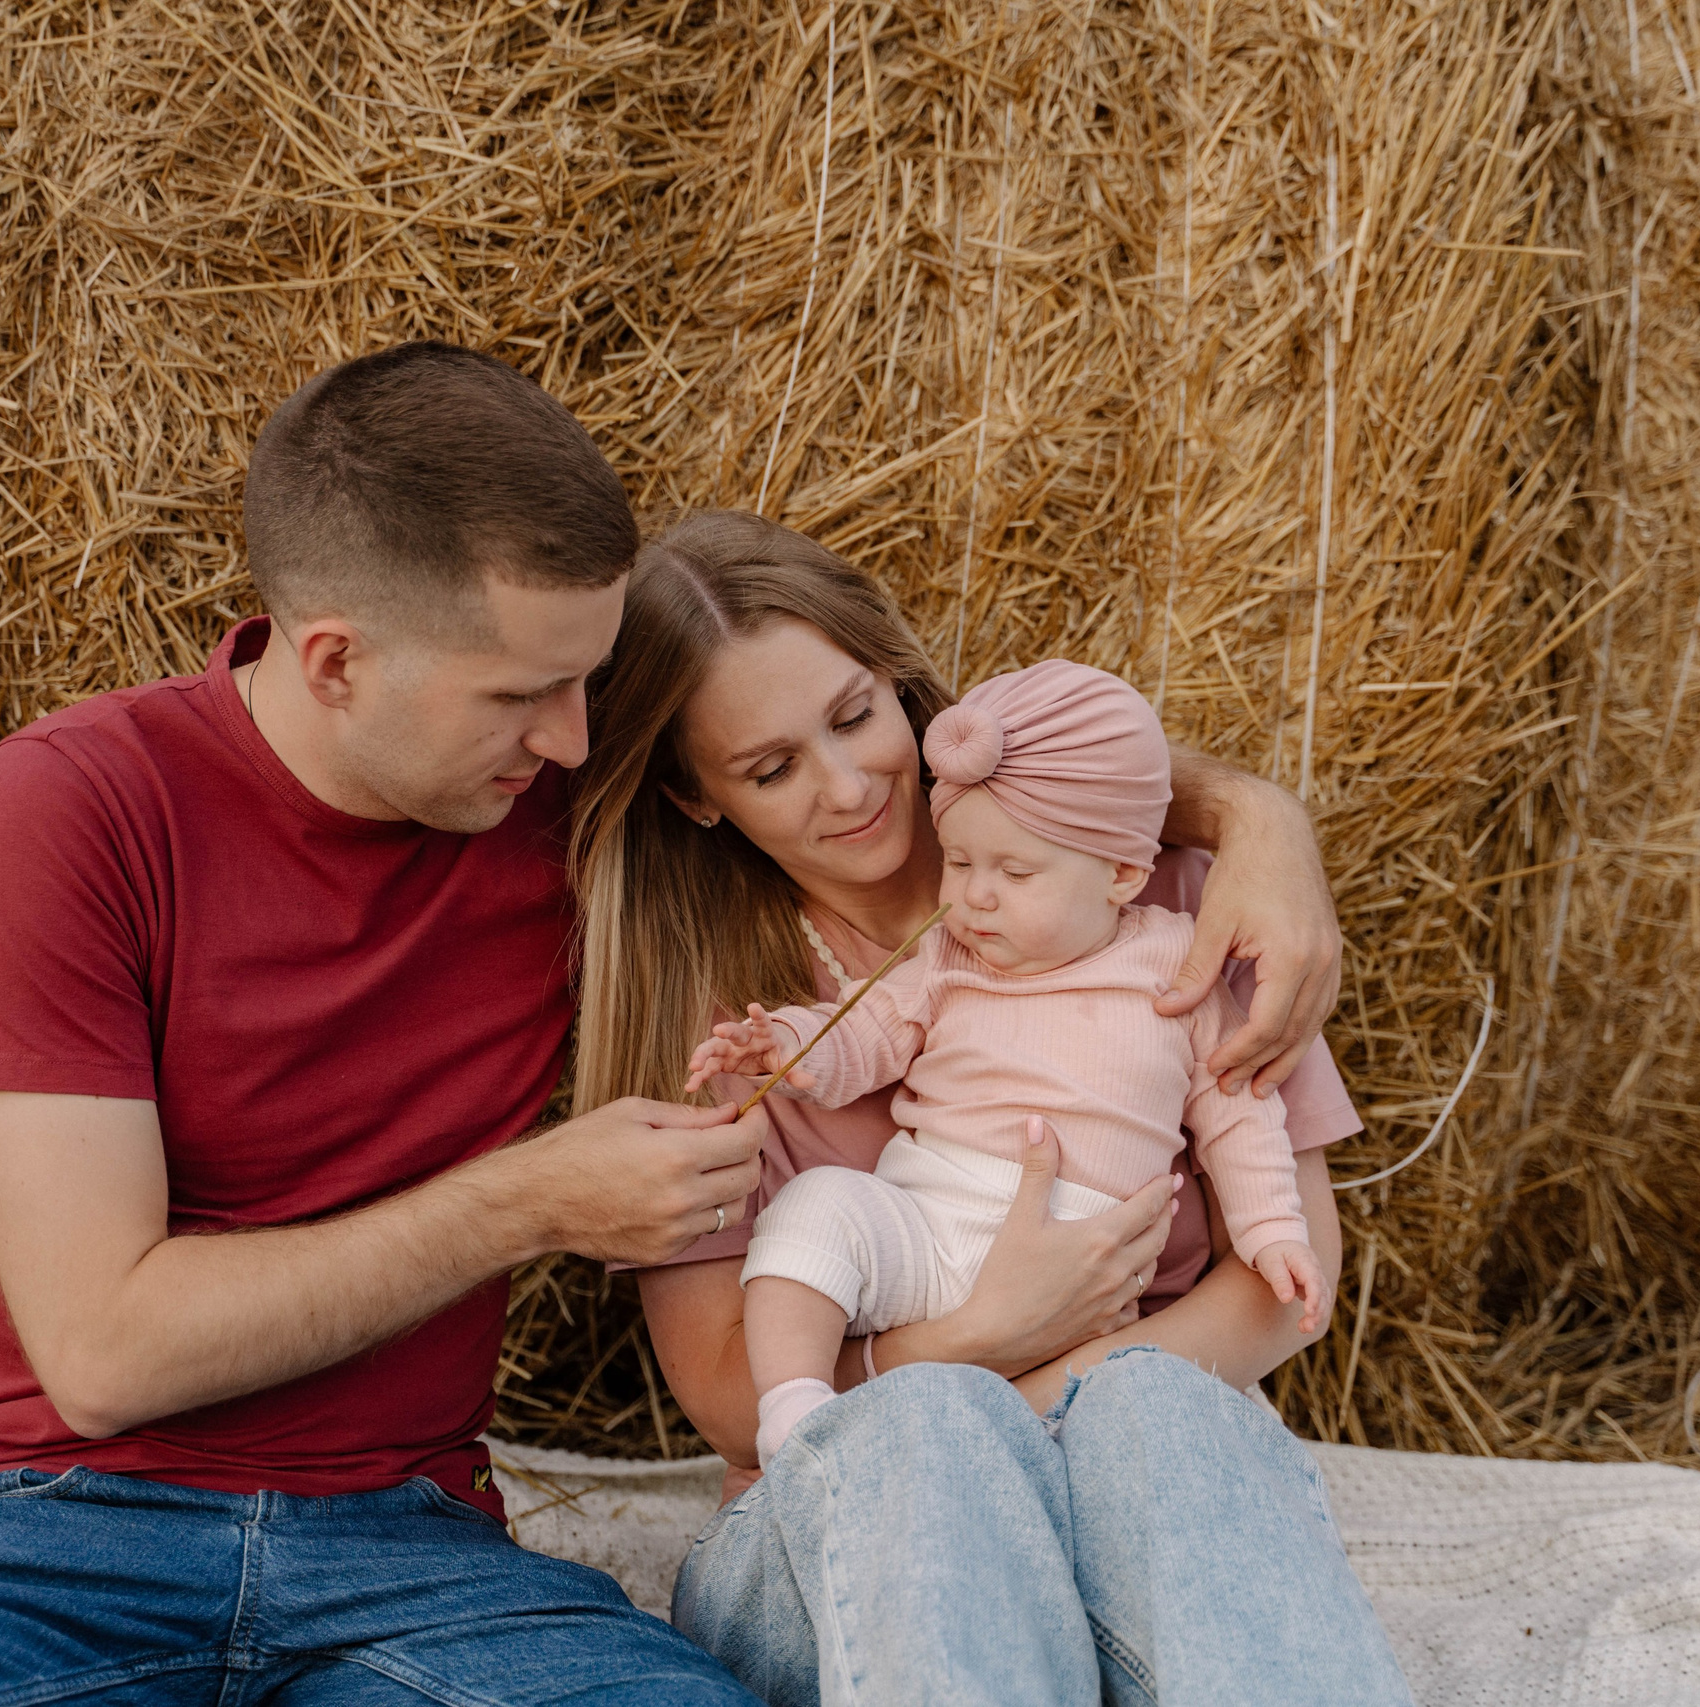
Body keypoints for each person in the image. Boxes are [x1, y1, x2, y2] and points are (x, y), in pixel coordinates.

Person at [0, 343, 767, 1704]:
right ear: (334, 659)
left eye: (588, 678)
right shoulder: (80, 803)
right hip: (50, 1529)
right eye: (519, 693)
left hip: (413, 1547)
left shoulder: (568, 810)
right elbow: (104, 1349)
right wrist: (532, 1199)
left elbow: (887, 788)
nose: (571, 737)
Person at [573, 511, 1412, 1704]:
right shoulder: (720, 1020)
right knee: (929, 1436)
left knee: (1163, 1417)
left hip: (1120, 1494)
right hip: (851, 1533)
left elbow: (1289, 1285)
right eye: (771, 769)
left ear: (907, 689)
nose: (851, 781)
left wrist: (1255, 814)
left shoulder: (1165, 900)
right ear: (700, 800)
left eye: (858, 716)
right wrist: (971, 1356)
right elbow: (725, 1394)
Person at [688, 660, 1328, 1464]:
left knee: (1136, 1433)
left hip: (1089, 1263)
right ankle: (798, 1411)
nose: (976, 897)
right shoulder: (950, 954)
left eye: (1014, 873)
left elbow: (1240, 1109)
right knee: (816, 1211)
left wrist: (1274, 1230)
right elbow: (867, 1031)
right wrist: (789, 1045)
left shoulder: (1180, 962)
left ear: (1122, 874)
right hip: (926, 1225)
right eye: (959, 863)